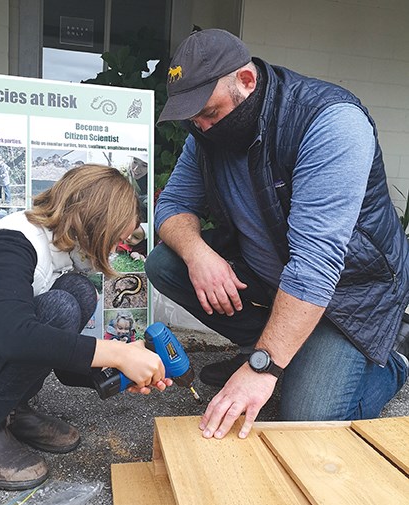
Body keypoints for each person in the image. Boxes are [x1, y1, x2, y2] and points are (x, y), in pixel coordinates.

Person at [145, 29, 409, 441]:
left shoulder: (330, 123)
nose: (201, 126)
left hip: (348, 295)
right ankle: (269, 343)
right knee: (166, 262)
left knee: (303, 424)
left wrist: (263, 369)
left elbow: (316, 265)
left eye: (209, 113)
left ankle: (390, 364)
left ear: (246, 82)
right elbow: (171, 206)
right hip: (275, 276)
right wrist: (198, 254)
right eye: (192, 116)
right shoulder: (206, 132)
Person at [0, 164, 172, 491]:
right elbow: (16, 338)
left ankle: (11, 409)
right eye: (116, 238)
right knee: (57, 309)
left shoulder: (53, 250)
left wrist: (112, 375)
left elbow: (56, 357)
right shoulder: (6, 246)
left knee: (77, 292)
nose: (117, 248)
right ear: (94, 220)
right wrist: (117, 351)